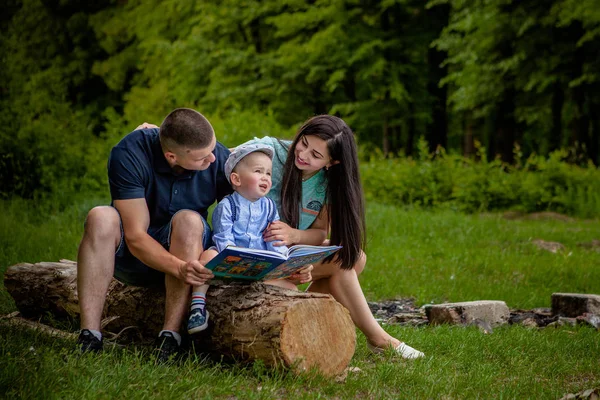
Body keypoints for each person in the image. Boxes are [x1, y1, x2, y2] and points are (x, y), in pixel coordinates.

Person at [243, 115, 425, 359]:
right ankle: (379, 339)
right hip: (253, 257)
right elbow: (221, 158)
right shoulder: (270, 151)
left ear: (333, 162)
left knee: (354, 257)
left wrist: (294, 235)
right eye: (304, 142)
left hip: (283, 255)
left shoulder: (326, 183)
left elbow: (320, 233)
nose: (304, 154)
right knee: (344, 264)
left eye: (316, 155)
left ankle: (307, 316)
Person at [76, 108, 231, 362]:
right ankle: (90, 335)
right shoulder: (128, 153)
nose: (212, 160)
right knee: (100, 217)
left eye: (213, 150)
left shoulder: (217, 157)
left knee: (190, 220)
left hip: (188, 250)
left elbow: (246, 213)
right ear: (171, 156)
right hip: (133, 256)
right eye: (203, 158)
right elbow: (136, 237)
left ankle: (170, 338)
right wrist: (179, 268)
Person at [187, 143, 313, 334]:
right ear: (236, 179)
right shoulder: (227, 205)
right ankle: (197, 306)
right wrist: (234, 256)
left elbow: (273, 238)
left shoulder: (269, 207)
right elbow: (223, 236)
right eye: (258, 171)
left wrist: (281, 259)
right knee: (206, 257)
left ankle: (287, 323)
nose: (265, 177)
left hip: (258, 267)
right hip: (230, 262)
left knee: (290, 286)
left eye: (269, 173)